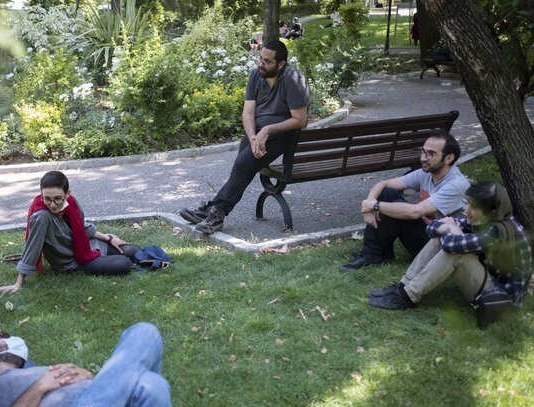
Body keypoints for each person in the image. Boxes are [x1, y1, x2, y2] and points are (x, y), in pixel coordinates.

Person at [179, 40, 310, 234]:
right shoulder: (256, 76)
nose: (261, 64)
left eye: (267, 61)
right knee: (243, 167)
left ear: (281, 64)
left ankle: (216, 212)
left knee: (242, 166)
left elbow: (300, 120)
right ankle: (213, 211)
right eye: (260, 58)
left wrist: (266, 131)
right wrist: (253, 137)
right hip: (257, 135)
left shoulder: (292, 79)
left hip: (282, 136)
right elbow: (248, 113)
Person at [0, 323, 175, 407]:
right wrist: (38, 388)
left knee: (145, 333)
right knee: (151, 384)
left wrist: (93, 378)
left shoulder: (41, 369)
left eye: (4, 334)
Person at [368, 181, 532, 312]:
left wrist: (450, 228)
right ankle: (404, 286)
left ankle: (408, 296)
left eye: (473, 207)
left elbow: (451, 246)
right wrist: (447, 228)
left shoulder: (499, 231)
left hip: (500, 299)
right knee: (442, 239)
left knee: (455, 252)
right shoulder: (484, 219)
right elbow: (431, 229)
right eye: (467, 203)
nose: (466, 210)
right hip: (487, 282)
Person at [340, 130, 470, 271]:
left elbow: (415, 212)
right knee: (387, 193)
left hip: (441, 247)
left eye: (431, 154)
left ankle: (374, 253)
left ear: (449, 158)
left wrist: (374, 205)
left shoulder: (456, 184)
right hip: (428, 232)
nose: (423, 158)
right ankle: (374, 253)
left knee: (396, 207)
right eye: (423, 151)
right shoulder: (426, 173)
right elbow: (383, 184)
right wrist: (369, 203)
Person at [0, 171, 139, 295]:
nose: (52, 204)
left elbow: (82, 227)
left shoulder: (70, 203)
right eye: (47, 198)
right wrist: (18, 283)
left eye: (58, 198)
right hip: (72, 261)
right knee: (124, 264)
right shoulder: (41, 217)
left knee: (132, 250)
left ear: (67, 193)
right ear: (41, 194)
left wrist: (108, 239)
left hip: (85, 247)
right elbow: (32, 247)